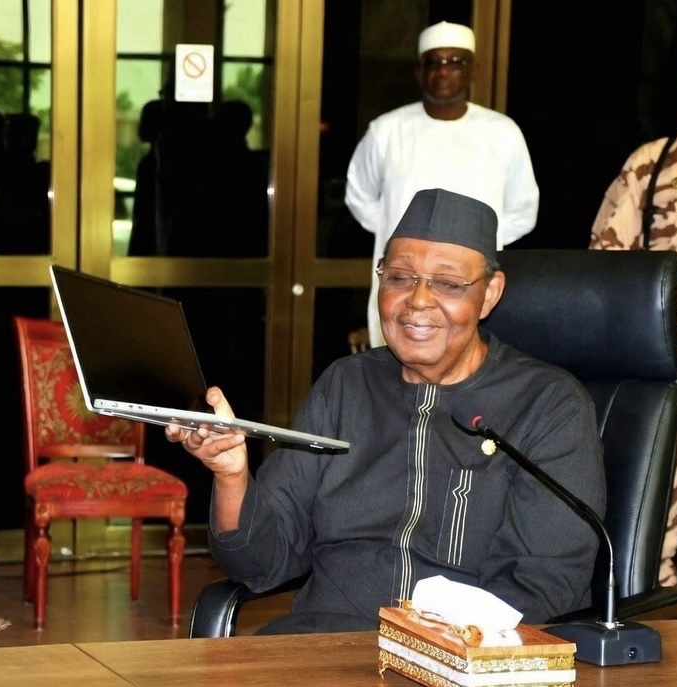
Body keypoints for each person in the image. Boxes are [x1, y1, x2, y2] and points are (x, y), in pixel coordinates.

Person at [168, 188, 603, 634]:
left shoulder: (547, 404)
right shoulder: (346, 386)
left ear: (489, 293)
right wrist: (232, 476)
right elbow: (261, 562)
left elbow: (545, 582)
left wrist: (430, 645)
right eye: (399, 278)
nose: (418, 300)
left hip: (463, 654)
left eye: (448, 283)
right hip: (323, 644)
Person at [589, 23, 677, 588]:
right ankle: (649, 613)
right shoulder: (651, 164)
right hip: (668, 363)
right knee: (651, 512)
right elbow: (607, 267)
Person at [345, 20, 539, 348]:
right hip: (404, 282)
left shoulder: (502, 133)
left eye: (454, 62)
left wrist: (473, 243)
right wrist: (399, 232)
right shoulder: (387, 131)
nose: (443, 71)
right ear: (419, 72)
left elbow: (523, 209)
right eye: (433, 63)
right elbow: (359, 196)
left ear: (473, 71)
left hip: (469, 281)